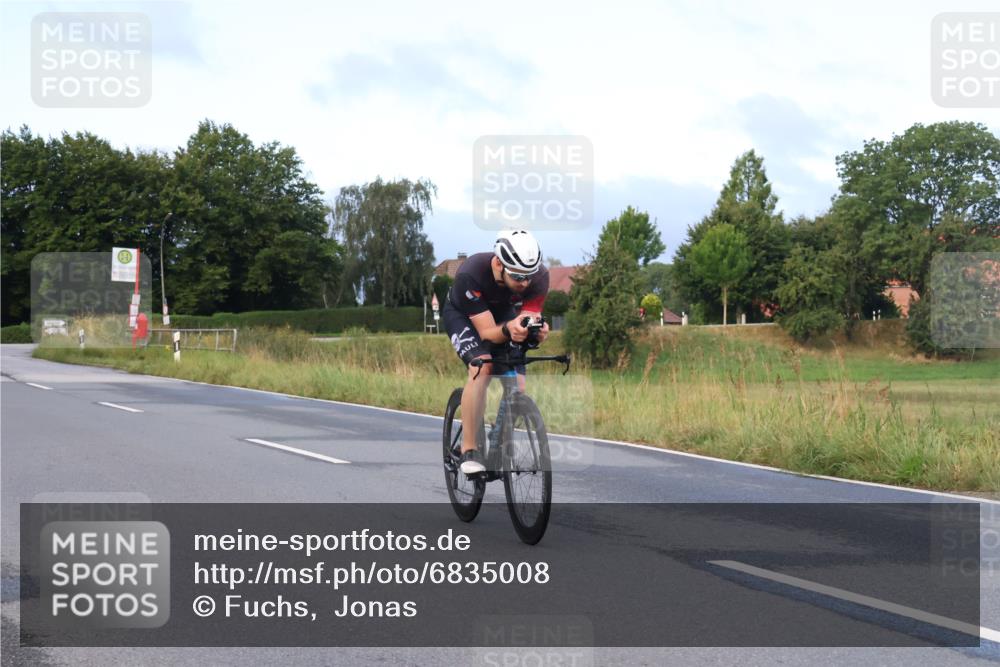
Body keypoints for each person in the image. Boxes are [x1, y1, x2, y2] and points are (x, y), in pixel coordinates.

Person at [442, 229, 550, 475]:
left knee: (518, 384)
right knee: (482, 366)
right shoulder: (471, 274)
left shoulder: (539, 276)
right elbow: (488, 333)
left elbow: (527, 317)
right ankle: (469, 449)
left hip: (502, 313)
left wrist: (536, 331)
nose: (524, 283)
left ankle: (499, 438)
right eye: (518, 276)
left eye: (529, 277)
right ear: (499, 263)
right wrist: (510, 328)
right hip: (465, 316)